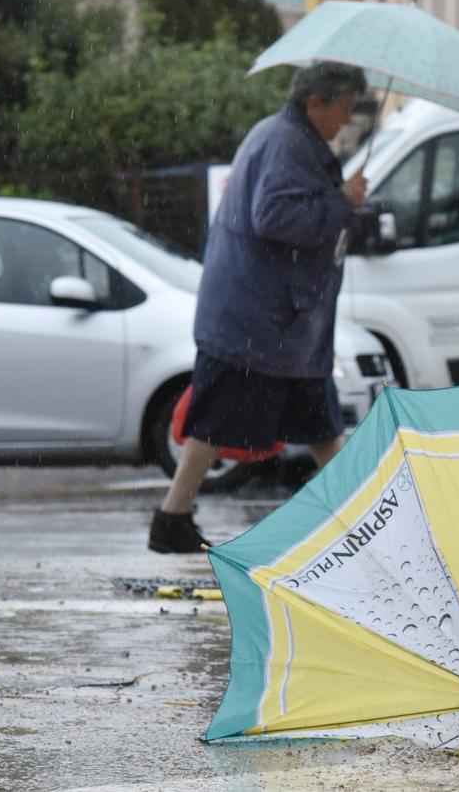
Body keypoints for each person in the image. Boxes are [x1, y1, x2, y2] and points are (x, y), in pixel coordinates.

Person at [148, 62, 369, 554]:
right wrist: (342, 202)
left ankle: (364, 521)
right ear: (315, 101)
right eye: (343, 109)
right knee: (221, 424)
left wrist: (338, 201)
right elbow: (273, 216)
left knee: (318, 426)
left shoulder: (288, 138)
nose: (346, 120)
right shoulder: (288, 142)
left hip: (277, 323)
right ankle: (171, 518)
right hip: (259, 321)